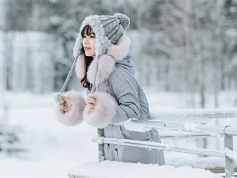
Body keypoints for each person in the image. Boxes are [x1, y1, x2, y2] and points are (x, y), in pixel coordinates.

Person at [55, 13, 165, 165]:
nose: (85, 41)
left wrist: (101, 110)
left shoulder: (119, 73)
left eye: (92, 36)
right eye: (84, 36)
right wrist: (74, 107)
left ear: (105, 41)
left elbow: (133, 110)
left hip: (137, 153)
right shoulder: (97, 75)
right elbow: (96, 108)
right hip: (115, 153)